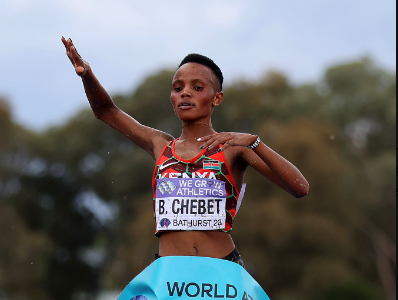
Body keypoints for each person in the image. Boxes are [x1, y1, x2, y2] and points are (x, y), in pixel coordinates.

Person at [61, 37, 309, 270]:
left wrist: (256, 143)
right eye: (178, 88)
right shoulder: (160, 145)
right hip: (170, 274)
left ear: (217, 98)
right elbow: (106, 111)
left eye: (197, 87)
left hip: (222, 271)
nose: (185, 93)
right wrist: (87, 75)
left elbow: (299, 188)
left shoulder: (233, 147)